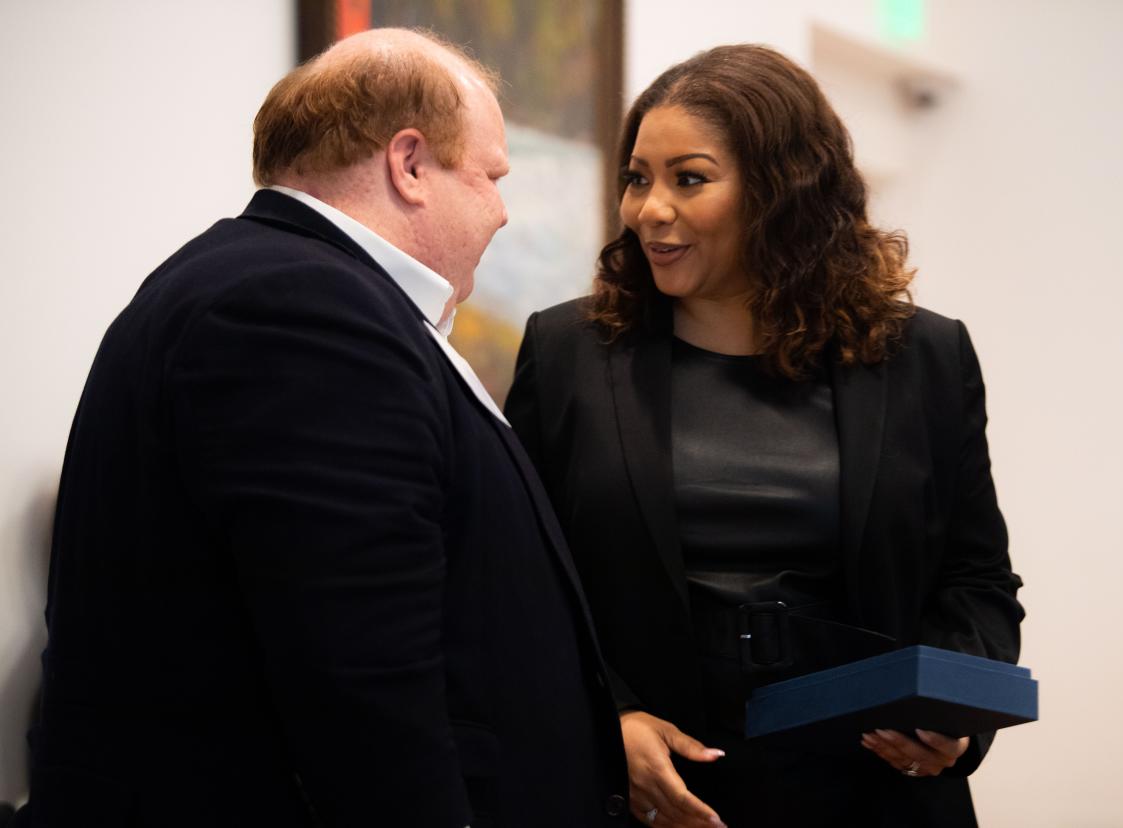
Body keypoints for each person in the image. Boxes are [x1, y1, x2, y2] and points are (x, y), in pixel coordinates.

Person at [19, 28, 628, 828]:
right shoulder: (301, 309)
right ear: (409, 165)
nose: (505, 212)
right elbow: (363, 686)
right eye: (489, 176)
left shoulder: (273, 283)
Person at [505, 44, 1024, 828]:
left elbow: (977, 583)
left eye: (690, 178)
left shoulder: (925, 357)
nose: (650, 208)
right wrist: (608, 716)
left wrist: (953, 717)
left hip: (871, 790)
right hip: (654, 793)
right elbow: (519, 579)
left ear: (782, 191)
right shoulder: (568, 353)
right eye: (637, 178)